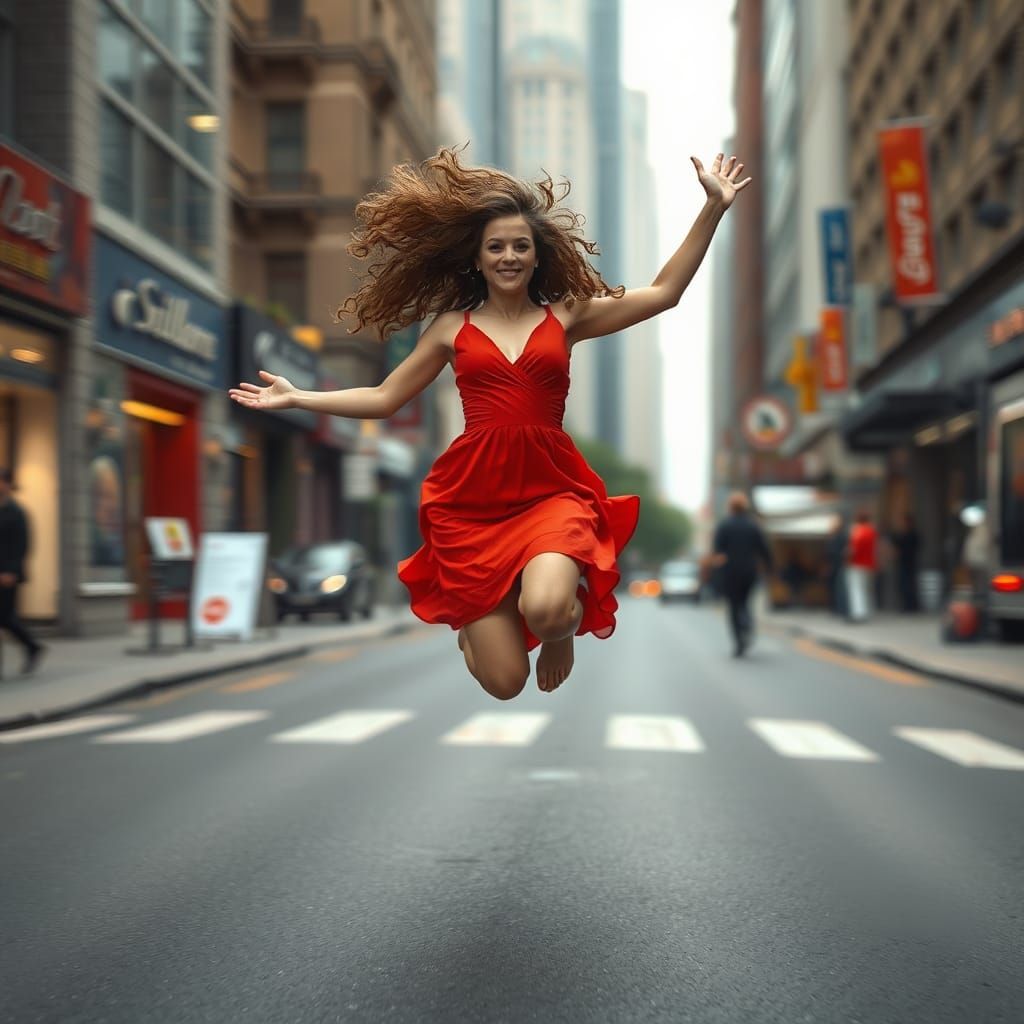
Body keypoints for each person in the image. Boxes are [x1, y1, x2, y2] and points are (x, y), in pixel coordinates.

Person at [230, 147, 750, 699]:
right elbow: (384, 397)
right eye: (496, 247)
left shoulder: (567, 314)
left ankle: (561, 625)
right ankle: (475, 630)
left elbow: (665, 293)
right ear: (477, 259)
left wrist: (713, 208)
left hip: (551, 491)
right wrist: (299, 397)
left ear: (537, 257)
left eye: (520, 246)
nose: (509, 256)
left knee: (548, 610)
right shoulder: (449, 328)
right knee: (505, 683)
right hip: (473, 501)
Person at [711, 492, 773, 656]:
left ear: (730, 507)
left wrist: (717, 571)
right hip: (749, 571)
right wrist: (769, 568)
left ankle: (739, 642)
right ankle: (747, 623)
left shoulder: (724, 526)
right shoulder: (753, 526)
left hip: (730, 572)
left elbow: (717, 552)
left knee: (733, 606)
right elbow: (764, 550)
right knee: (745, 602)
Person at [0, 469, 45, 674]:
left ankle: (32, 646)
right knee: (5, 618)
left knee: (5, 617)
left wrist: (11, 571)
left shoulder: (17, 512)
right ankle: (32, 647)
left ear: (8, 485)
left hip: (8, 575)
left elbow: (22, 545)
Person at [846, 510, 878, 622]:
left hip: (857, 564)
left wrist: (848, 560)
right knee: (868, 590)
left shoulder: (858, 531)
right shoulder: (872, 531)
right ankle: (869, 612)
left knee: (857, 589)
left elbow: (853, 549)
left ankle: (859, 613)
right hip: (870, 563)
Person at [888, 512, 919, 613]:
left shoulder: (911, 535)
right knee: (903, 585)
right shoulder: (904, 534)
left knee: (908, 585)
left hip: (909, 563)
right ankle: (906, 605)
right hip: (903, 562)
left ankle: (910, 605)